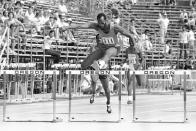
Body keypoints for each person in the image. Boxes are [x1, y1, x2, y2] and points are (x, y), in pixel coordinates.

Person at [63, 13, 136, 70]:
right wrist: (67, 27)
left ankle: (100, 64)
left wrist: (133, 45)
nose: (102, 25)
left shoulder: (114, 27)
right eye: (100, 23)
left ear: (106, 20)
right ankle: (88, 79)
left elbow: (130, 35)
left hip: (115, 48)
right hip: (103, 48)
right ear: (98, 22)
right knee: (84, 64)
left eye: (103, 23)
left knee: (109, 52)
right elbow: (80, 26)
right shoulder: (96, 26)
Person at [122, 37, 144, 104]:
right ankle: (129, 99)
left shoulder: (138, 49)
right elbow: (126, 58)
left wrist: (139, 67)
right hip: (131, 66)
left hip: (137, 67)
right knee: (130, 82)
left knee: (140, 83)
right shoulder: (127, 50)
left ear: (135, 42)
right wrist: (123, 63)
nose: (131, 43)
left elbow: (143, 59)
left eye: (132, 42)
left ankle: (135, 86)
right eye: (130, 42)